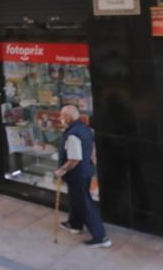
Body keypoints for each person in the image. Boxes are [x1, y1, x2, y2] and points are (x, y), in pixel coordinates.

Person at [54, 105, 112, 248]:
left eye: (62, 115)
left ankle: (100, 237)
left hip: (77, 174)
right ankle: (74, 224)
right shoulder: (84, 128)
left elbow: (74, 159)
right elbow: (92, 146)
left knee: (85, 203)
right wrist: (92, 159)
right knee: (76, 199)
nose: (60, 118)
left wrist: (62, 169)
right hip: (85, 171)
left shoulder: (73, 134)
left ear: (68, 117)